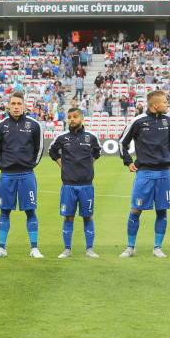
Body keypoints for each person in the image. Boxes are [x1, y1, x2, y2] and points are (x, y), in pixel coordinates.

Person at [118, 90, 170, 258]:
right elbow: (122, 143)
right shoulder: (138, 121)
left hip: (164, 174)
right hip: (144, 174)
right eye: (165, 102)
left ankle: (157, 247)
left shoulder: (168, 121)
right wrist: (128, 162)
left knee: (162, 211)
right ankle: (130, 247)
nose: (167, 105)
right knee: (136, 210)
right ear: (155, 105)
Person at [0, 92, 45, 258]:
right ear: (8, 105)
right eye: (13, 104)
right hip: (7, 175)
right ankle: (1, 248)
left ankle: (34, 248)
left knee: (30, 211)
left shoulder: (34, 125)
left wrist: (30, 165)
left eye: (18, 104)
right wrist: (4, 166)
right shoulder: (1, 126)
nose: (15, 107)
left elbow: (39, 149)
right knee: (4, 211)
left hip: (27, 174)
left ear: (24, 106)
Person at [49, 108, 101, 259]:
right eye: (69, 117)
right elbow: (52, 152)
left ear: (82, 118)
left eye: (75, 117)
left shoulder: (91, 137)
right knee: (68, 217)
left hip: (86, 185)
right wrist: (62, 165)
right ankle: (67, 249)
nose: (72, 119)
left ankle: (89, 249)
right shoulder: (62, 137)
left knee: (88, 217)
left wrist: (88, 166)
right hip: (68, 185)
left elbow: (97, 153)